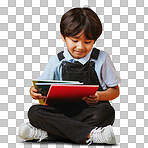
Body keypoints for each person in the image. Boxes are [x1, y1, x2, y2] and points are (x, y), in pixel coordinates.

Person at [18, 7, 120, 145]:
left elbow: (114, 91)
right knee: (34, 112)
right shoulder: (57, 60)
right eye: (75, 40)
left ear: (95, 40)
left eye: (88, 42)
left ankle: (48, 133)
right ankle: (91, 134)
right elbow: (42, 88)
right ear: (63, 37)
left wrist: (99, 96)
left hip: (89, 111)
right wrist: (34, 92)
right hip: (62, 111)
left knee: (107, 112)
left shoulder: (101, 59)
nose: (80, 47)